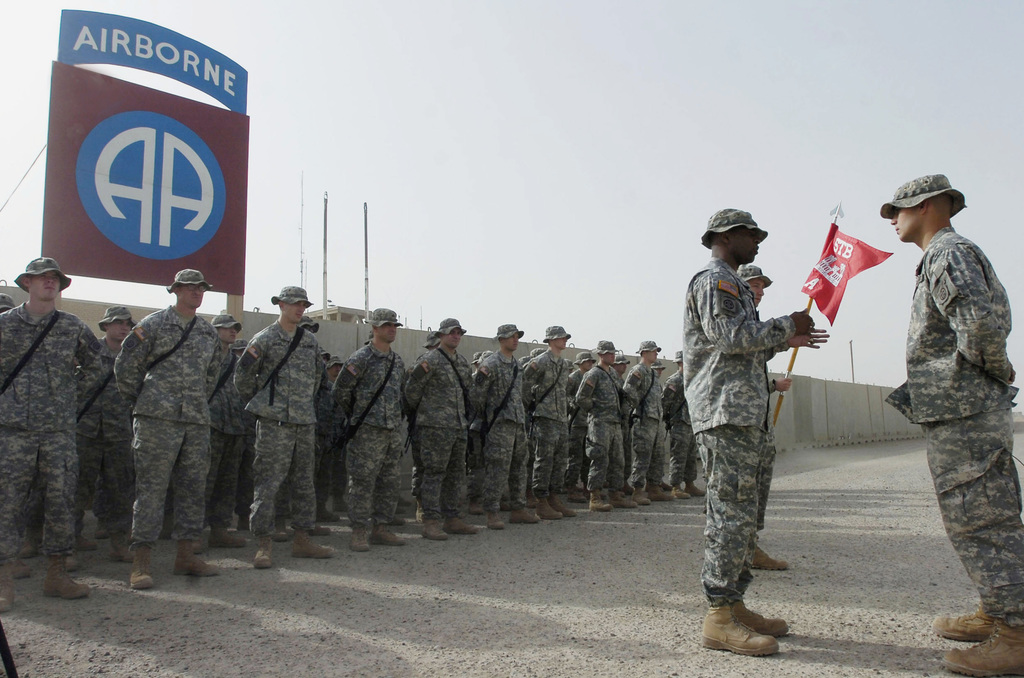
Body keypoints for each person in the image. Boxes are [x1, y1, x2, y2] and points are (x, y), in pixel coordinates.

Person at [882, 175, 1023, 676]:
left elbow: (979, 327)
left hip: (965, 409)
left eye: (898, 209)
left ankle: (1017, 634)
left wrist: (989, 371)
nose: (893, 219)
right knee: (980, 513)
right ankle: (997, 608)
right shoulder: (943, 255)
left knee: (983, 518)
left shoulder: (948, 252)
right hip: (959, 408)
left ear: (929, 205)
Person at [685, 209, 825, 655]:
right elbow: (728, 336)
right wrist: (786, 325)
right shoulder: (715, 281)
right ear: (726, 237)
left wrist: (785, 339)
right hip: (725, 412)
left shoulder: (735, 283)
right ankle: (719, 616)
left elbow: (742, 347)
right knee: (729, 513)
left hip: (744, 413)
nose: (758, 242)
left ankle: (735, 603)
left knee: (744, 515)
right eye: (751, 234)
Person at [0, 258, 101, 611]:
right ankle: (3, 581)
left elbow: (97, 365)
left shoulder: (71, 326)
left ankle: (57, 574)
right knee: (7, 503)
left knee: (61, 502)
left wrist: (68, 398)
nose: (49, 283)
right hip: (14, 430)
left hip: (58, 431)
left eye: (54, 278)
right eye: (42, 278)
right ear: (26, 283)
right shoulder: (5, 325)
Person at [115, 269, 223, 589]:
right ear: (175, 290)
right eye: (189, 288)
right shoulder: (153, 325)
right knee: (151, 491)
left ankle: (186, 555)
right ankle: (141, 562)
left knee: (192, 489)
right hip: (156, 420)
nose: (196, 292)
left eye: (201, 288)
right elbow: (126, 367)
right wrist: (145, 401)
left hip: (195, 421)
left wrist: (196, 404)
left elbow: (212, 375)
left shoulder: (207, 332)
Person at [235, 287, 334, 569]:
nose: (299, 309)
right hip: (274, 423)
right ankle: (263, 544)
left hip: (303, 423)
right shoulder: (264, 339)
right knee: (268, 484)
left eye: (303, 304)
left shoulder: (309, 341)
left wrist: (303, 406)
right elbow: (242, 378)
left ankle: (302, 539)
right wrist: (265, 404)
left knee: (304, 483)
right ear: (280, 305)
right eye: (293, 304)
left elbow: (318, 378)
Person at [333, 308, 408, 552]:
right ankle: (358, 530)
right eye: (387, 325)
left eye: (395, 325)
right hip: (366, 431)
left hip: (391, 431)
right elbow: (341, 391)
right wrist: (359, 416)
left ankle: (381, 528)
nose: (392, 329)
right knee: (363, 482)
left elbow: (400, 395)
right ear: (374, 328)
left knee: (390, 481)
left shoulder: (397, 362)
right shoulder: (361, 358)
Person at [737, 263, 792, 572]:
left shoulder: (753, 320)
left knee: (759, 484)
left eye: (762, 287)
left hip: (758, 415)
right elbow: (739, 346)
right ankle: (734, 554)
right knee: (740, 488)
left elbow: (759, 354)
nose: (759, 291)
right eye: (754, 285)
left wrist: (787, 341)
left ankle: (750, 545)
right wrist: (785, 331)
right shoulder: (736, 317)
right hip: (739, 417)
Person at [404, 319, 478, 540]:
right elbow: (411, 392)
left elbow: (468, 394)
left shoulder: (462, 363)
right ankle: (431, 521)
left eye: (458, 333)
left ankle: (452, 518)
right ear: (441, 336)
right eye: (451, 333)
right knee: (434, 474)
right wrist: (428, 414)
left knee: (456, 474)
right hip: (434, 428)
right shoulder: (429, 360)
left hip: (458, 426)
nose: (456, 336)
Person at [75, 305, 136, 563]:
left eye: (127, 324)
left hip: (119, 432)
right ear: (106, 326)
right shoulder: (89, 353)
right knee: (77, 488)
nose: (123, 327)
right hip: (86, 431)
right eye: (118, 322)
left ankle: (119, 543)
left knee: (120, 491)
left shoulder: (133, 357)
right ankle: (69, 542)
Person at [473, 324, 536, 529]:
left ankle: (518, 508)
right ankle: (492, 511)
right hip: (499, 425)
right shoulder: (490, 364)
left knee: (519, 466)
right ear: (501, 339)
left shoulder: (517, 365)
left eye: (517, 336)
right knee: (498, 468)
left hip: (517, 423)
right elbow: (477, 396)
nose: (515, 340)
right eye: (511, 337)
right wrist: (490, 416)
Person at [204, 314, 248, 550]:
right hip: (211, 425)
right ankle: (193, 535)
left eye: (235, 329)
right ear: (215, 330)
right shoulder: (204, 356)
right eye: (228, 328)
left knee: (228, 482)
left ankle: (219, 530)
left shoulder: (237, 361)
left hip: (234, 427)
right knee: (204, 481)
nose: (233, 332)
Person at [522, 326, 576, 520]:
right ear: (551, 340)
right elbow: (524, 384)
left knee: (561, 461)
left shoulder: (562, 363)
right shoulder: (540, 362)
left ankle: (554, 497)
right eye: (561, 338)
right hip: (545, 418)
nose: (565, 340)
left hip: (561, 418)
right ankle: (541, 501)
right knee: (544, 460)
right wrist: (531, 407)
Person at [574, 341, 629, 512]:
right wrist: (596, 410)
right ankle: (595, 497)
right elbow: (581, 398)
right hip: (600, 423)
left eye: (612, 353)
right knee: (599, 458)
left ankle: (615, 494)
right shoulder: (593, 374)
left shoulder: (612, 373)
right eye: (607, 353)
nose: (611, 356)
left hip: (614, 422)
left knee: (618, 460)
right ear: (600, 355)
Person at [623, 341, 670, 505]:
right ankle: (637, 489)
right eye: (653, 351)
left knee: (657, 455)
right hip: (644, 419)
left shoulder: (652, 373)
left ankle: (654, 487)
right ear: (644, 353)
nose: (656, 353)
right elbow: (628, 390)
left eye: (657, 350)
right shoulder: (638, 371)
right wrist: (639, 406)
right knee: (643, 455)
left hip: (656, 420)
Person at [661, 351, 704, 499]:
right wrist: (669, 419)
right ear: (680, 363)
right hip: (679, 422)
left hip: (692, 422)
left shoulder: (693, 380)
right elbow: (665, 403)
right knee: (678, 455)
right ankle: (676, 485)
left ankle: (690, 484)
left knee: (691, 455)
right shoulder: (674, 381)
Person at [565, 351, 595, 503]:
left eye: (591, 361)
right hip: (577, 423)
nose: (590, 363)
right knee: (575, 457)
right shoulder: (573, 378)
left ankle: (586, 487)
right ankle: (571, 488)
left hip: (589, 422)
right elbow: (565, 394)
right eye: (586, 361)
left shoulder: (592, 376)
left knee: (587, 458)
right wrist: (573, 404)